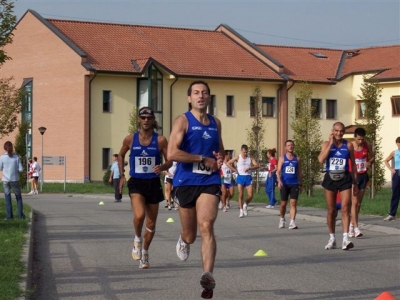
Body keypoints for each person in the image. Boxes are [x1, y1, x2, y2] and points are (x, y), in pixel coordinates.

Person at [167, 80, 224, 299]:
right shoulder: (182, 121)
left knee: (207, 225)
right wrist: (201, 158)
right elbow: (172, 153)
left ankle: (207, 277)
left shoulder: (216, 123)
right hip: (186, 182)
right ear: (189, 98)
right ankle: (184, 238)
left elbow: (219, 149)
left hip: (209, 181)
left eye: (205, 93)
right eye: (196, 93)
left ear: (209, 97)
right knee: (191, 235)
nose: (201, 96)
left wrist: (218, 158)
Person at [117, 106, 171, 269]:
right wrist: (122, 174)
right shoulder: (130, 139)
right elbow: (120, 154)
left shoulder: (160, 140)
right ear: (139, 120)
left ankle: (145, 254)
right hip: (137, 182)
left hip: (153, 183)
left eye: (149, 118)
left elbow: (171, 160)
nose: (146, 120)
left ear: (153, 120)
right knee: (139, 215)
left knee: (151, 223)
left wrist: (162, 167)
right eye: (143, 117)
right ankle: (137, 240)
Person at [318, 122, 358, 250]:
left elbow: (354, 164)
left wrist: (355, 182)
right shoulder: (326, 144)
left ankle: (345, 239)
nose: (339, 133)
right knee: (331, 210)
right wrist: (330, 144)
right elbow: (320, 160)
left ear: (344, 132)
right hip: (330, 178)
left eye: (341, 131)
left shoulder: (349, 145)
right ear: (332, 131)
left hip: (345, 178)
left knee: (345, 208)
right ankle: (332, 238)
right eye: (336, 130)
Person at [349, 128, 375, 237]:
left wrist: (369, 162)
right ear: (355, 137)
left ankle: (351, 225)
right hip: (353, 176)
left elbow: (373, 156)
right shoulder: (350, 146)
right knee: (354, 203)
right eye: (359, 139)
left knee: (358, 203)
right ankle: (356, 228)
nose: (361, 141)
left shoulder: (366, 144)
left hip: (363, 176)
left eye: (362, 139)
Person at [276, 140, 302, 229]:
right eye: (288, 145)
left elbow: (299, 172)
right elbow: (278, 171)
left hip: (294, 183)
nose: (290, 146)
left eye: (292, 145)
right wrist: (279, 181)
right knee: (283, 203)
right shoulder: (282, 158)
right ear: (285, 147)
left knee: (293, 202)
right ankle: (282, 219)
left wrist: (300, 184)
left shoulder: (297, 158)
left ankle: (292, 222)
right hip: (284, 184)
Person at [227, 144, 258, 218]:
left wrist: (250, 168)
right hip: (240, 177)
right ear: (241, 151)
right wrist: (234, 170)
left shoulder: (250, 157)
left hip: (248, 177)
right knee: (240, 194)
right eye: (244, 152)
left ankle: (245, 204)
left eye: (246, 152)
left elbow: (256, 165)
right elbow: (228, 163)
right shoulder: (238, 157)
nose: (245, 154)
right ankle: (241, 211)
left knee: (250, 195)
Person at [0, 141, 25, 220]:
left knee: (7, 197)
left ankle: (9, 216)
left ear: (5, 148)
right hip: (14, 180)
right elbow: (21, 169)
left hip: (5, 180)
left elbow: (0, 168)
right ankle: (20, 215)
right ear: (12, 148)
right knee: (18, 197)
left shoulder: (2, 157)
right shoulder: (16, 157)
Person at [383, 136, 400, 221]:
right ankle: (392, 214)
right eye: (399, 143)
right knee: (395, 194)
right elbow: (386, 160)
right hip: (397, 173)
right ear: (396, 143)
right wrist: (391, 169)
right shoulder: (394, 152)